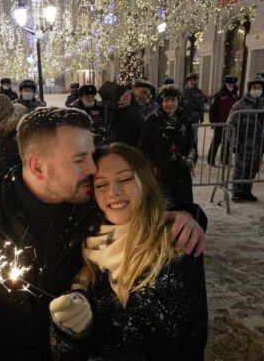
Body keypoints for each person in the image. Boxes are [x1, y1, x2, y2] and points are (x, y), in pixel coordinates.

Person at [0, 107, 207, 361]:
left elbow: (144, 208)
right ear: (37, 166)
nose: (93, 169)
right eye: (79, 159)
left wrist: (186, 214)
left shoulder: (98, 206)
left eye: (91, 155)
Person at [50, 143, 207, 360]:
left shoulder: (173, 243)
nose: (114, 192)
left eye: (125, 179)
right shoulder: (89, 247)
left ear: (145, 180)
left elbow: (157, 339)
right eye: (101, 184)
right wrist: (70, 333)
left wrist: (89, 331)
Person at [139, 85, 197, 205]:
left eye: (173, 100)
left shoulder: (185, 120)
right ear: (161, 102)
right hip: (160, 172)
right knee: (163, 206)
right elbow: (143, 147)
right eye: (166, 100)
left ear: (178, 101)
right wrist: (151, 165)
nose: (170, 104)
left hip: (181, 171)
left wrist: (191, 158)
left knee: (182, 205)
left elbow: (192, 143)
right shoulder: (151, 121)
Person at [228, 76, 264, 202]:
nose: (257, 90)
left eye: (259, 88)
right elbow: (231, 126)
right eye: (254, 88)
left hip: (259, 143)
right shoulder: (240, 105)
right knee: (240, 168)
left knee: (253, 168)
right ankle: (237, 191)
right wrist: (233, 143)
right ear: (249, 89)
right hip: (243, 143)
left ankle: (247, 190)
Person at [99, 82, 142, 146]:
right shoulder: (124, 96)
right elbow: (104, 88)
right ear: (133, 89)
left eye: (148, 95)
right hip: (116, 142)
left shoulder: (150, 107)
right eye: (143, 92)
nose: (144, 96)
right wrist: (123, 92)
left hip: (132, 146)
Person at [208, 75, 239, 166]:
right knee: (216, 142)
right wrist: (213, 123)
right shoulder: (219, 94)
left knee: (227, 143)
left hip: (231, 123)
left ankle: (224, 160)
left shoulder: (236, 95)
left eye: (232, 84)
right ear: (225, 83)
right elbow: (212, 110)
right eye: (229, 84)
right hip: (220, 123)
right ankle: (211, 160)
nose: (230, 86)